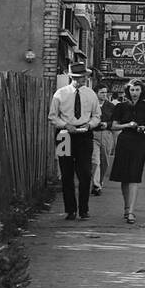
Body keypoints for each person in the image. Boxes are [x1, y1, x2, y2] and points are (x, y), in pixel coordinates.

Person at [48, 62, 101, 220]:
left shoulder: (91, 94)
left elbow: (97, 115)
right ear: (71, 77)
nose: (83, 79)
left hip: (84, 134)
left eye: (84, 76)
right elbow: (52, 116)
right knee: (66, 173)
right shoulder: (60, 93)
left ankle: (83, 209)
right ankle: (70, 210)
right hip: (64, 134)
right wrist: (65, 125)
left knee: (85, 172)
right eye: (79, 77)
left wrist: (90, 125)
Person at [110, 79, 145, 223]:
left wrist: (143, 127)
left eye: (137, 90)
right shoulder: (121, 106)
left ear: (142, 91)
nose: (134, 93)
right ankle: (126, 207)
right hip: (124, 141)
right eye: (132, 90)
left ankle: (131, 212)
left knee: (134, 176)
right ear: (128, 91)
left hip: (139, 142)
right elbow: (114, 126)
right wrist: (127, 124)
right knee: (124, 177)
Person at [91, 85, 117, 195]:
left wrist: (107, 124)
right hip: (94, 135)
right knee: (95, 160)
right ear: (96, 93)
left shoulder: (111, 106)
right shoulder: (91, 105)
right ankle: (96, 185)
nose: (104, 94)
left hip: (107, 134)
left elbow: (115, 121)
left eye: (105, 92)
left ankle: (100, 181)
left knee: (105, 161)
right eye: (101, 92)